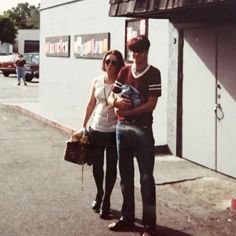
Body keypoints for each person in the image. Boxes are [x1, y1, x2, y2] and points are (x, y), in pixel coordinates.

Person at [108, 35, 161, 236]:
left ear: (146, 51)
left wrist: (127, 112)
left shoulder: (154, 73)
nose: (135, 54)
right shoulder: (124, 71)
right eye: (133, 51)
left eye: (138, 50)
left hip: (143, 131)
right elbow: (112, 95)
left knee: (146, 179)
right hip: (123, 130)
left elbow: (151, 104)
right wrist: (116, 104)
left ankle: (149, 225)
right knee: (125, 177)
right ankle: (127, 218)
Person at [81, 50, 125, 219]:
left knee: (112, 167)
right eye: (108, 61)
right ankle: (99, 193)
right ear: (104, 63)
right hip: (96, 130)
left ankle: (106, 200)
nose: (110, 65)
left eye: (114, 62)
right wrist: (83, 125)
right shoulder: (97, 81)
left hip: (114, 131)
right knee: (97, 166)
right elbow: (91, 103)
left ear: (119, 64)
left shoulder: (122, 83)